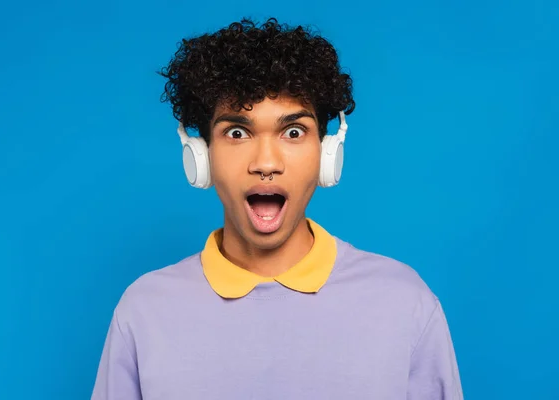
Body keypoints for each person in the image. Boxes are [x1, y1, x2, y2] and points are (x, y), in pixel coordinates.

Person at [91, 18, 463, 399]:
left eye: (293, 132)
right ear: (202, 156)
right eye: (237, 133)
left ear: (327, 153)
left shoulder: (405, 303)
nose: (266, 163)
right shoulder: (144, 311)